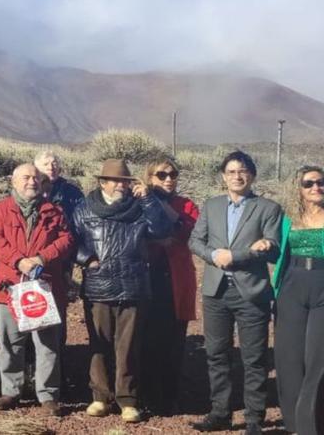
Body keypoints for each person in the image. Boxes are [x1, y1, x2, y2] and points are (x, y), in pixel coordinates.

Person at [71, 159, 172, 424]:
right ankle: (100, 397)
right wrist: (87, 259)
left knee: (128, 346)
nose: (121, 185)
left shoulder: (140, 208)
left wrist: (149, 199)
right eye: (115, 180)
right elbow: (71, 240)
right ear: (102, 182)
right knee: (99, 344)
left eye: (125, 181)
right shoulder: (83, 209)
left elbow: (162, 230)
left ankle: (128, 400)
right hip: (98, 285)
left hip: (133, 286)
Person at [189, 151, 283, 434]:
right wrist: (214, 254)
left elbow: (273, 249)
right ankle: (221, 412)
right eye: (231, 171)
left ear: (251, 175)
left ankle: (254, 419)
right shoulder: (212, 205)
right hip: (216, 291)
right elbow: (195, 241)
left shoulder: (268, 208)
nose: (237, 176)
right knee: (217, 354)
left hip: (251, 292)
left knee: (253, 358)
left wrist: (236, 256)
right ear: (223, 176)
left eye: (242, 171)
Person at [0, 163, 75, 415]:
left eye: (35, 178)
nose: (31, 182)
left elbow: (66, 240)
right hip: (9, 287)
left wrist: (41, 258)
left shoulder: (54, 211)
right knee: (10, 342)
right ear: (13, 182)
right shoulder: (2, 209)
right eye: (25, 177)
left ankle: (47, 395)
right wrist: (18, 260)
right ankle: (11, 391)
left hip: (43, 287)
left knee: (47, 343)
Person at [138, 158, 200, 416]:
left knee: (173, 340)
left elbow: (189, 233)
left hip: (175, 277)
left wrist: (162, 215)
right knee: (144, 337)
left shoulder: (185, 205)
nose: (168, 179)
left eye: (173, 174)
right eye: (161, 174)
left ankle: (169, 397)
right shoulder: (138, 201)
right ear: (149, 177)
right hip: (145, 276)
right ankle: (144, 395)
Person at [272, 165, 324, 434]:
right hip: (291, 286)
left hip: (322, 285)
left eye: (320, 182)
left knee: (317, 357)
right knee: (288, 357)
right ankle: (293, 423)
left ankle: (310, 426)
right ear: (299, 188)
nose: (316, 187)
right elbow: (277, 252)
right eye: (309, 183)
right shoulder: (288, 218)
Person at [35, 150, 85, 219]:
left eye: (54, 164)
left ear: (59, 168)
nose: (51, 168)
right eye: (46, 164)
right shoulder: (31, 189)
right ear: (37, 168)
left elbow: (83, 215)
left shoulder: (71, 191)